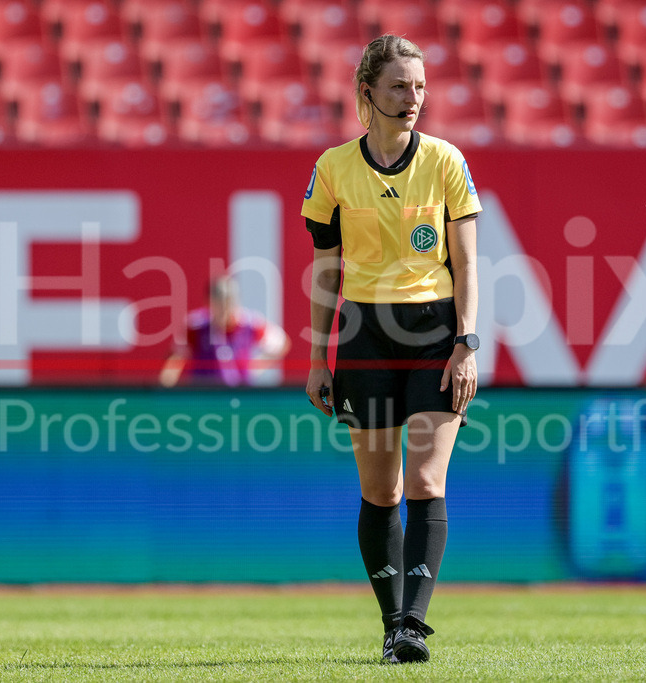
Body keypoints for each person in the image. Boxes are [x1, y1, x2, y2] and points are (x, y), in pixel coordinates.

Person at [302, 35, 481, 664]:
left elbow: (465, 261)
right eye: (401, 86)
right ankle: (390, 623)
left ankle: (412, 623)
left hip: (435, 334)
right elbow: (327, 266)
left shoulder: (446, 161)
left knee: (428, 480)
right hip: (363, 335)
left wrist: (467, 342)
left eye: (421, 86)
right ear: (368, 93)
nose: (414, 98)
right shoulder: (332, 169)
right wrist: (319, 357)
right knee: (382, 490)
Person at [159, 274, 290, 387]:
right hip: (203, 395)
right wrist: (165, 390)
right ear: (209, 302)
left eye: (228, 303)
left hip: (240, 395)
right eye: (219, 303)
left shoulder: (249, 324)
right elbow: (175, 359)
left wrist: (253, 368)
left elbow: (280, 344)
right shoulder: (196, 326)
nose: (224, 309)